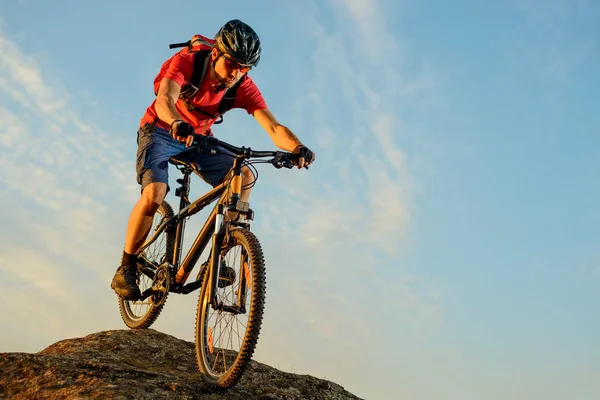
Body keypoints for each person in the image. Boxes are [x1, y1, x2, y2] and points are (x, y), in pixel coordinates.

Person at [111, 19, 315, 300]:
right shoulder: (188, 62)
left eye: (244, 68)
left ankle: (218, 256)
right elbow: (165, 99)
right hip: (161, 129)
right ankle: (127, 266)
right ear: (216, 53)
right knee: (155, 193)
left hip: (197, 140)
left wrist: (298, 147)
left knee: (243, 175)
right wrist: (176, 123)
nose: (236, 73)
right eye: (232, 63)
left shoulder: (242, 85)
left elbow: (273, 127)